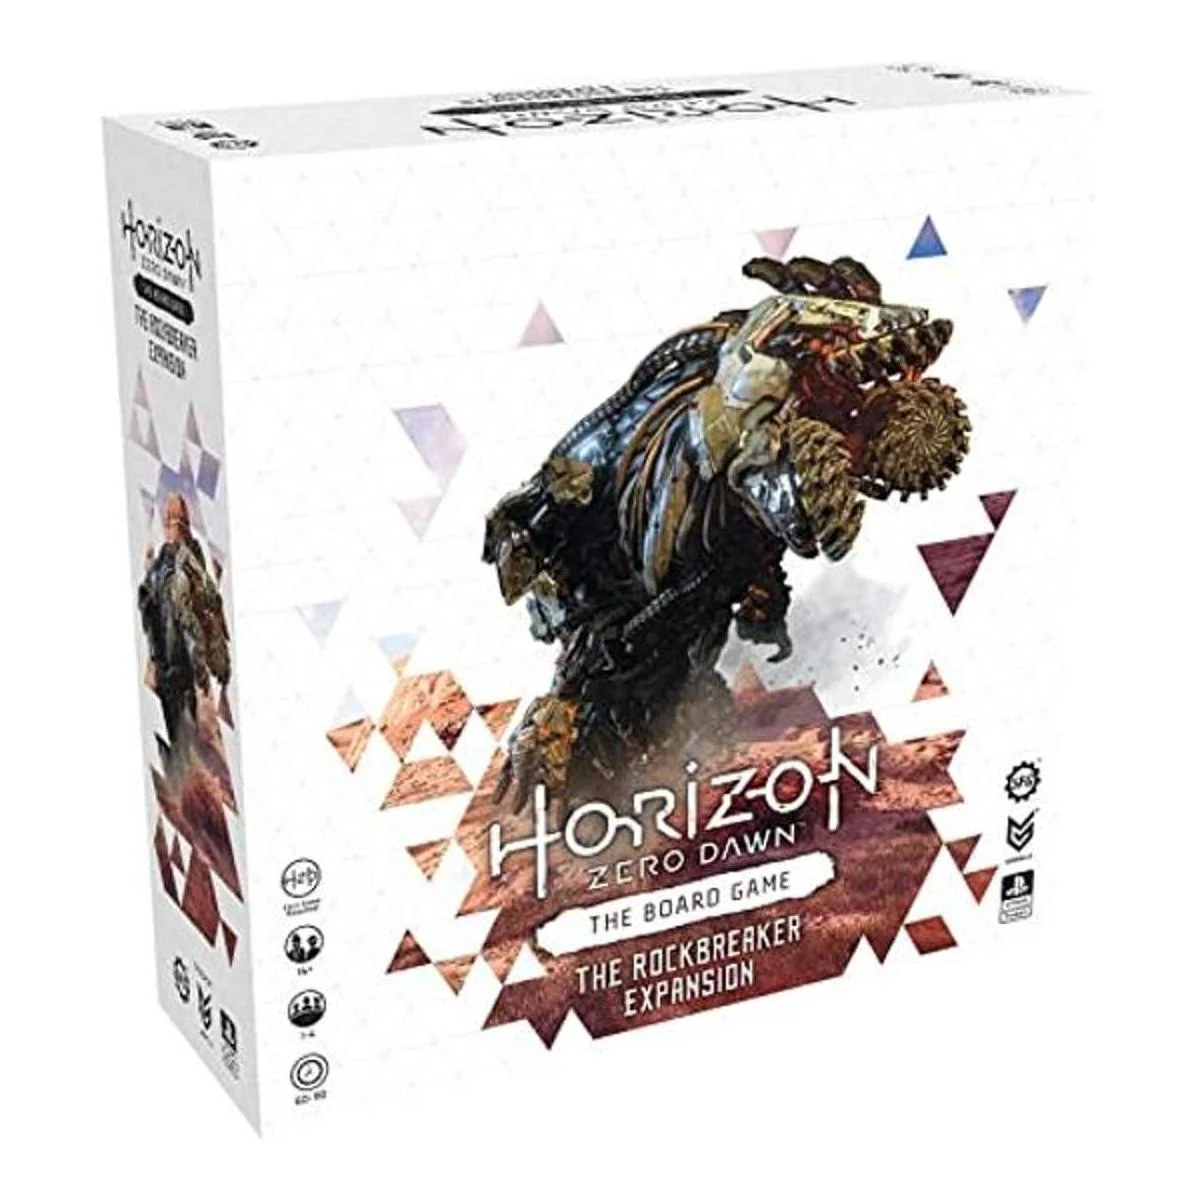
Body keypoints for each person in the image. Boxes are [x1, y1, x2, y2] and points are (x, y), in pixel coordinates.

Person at [137, 493, 231, 764]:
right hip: (175, 666)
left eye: (174, 521)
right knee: (183, 736)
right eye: (170, 521)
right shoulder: (170, 566)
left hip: (174, 667)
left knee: (184, 735)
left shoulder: (171, 565)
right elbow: (184, 619)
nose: (171, 528)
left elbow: (194, 614)